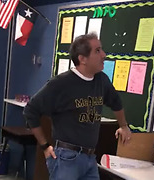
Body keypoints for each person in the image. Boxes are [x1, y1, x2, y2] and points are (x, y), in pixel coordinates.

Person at [23, 33, 132, 180]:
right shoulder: (61, 83)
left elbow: (116, 102)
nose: (104, 55)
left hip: (90, 158)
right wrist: (44, 146)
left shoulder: (101, 80)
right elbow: (30, 110)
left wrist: (123, 125)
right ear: (82, 59)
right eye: (97, 51)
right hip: (66, 158)